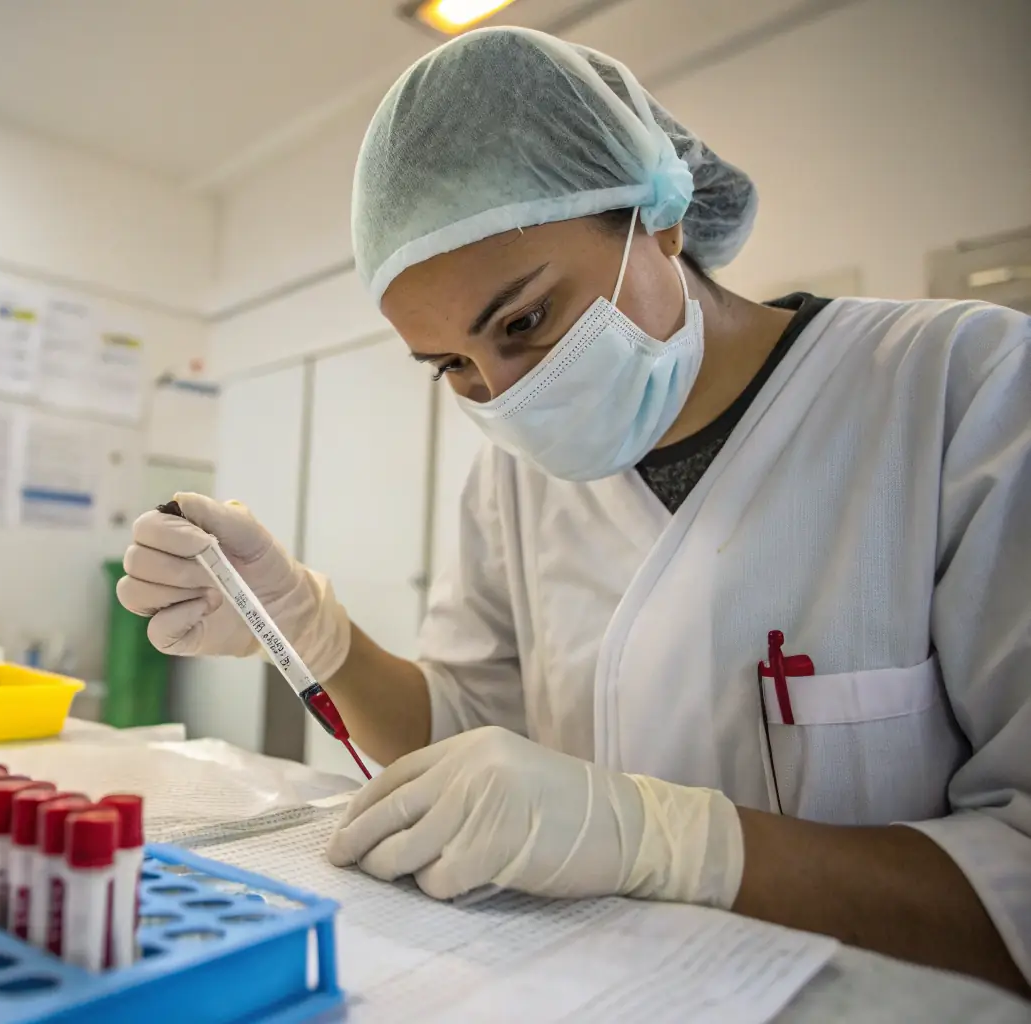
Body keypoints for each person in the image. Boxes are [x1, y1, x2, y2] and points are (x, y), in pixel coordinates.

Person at [117, 27, 1030, 995]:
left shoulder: (962, 391)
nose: (506, 393)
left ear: (659, 219)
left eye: (524, 322)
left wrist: (669, 842)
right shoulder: (516, 477)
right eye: (453, 367)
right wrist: (308, 628)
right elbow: (465, 735)